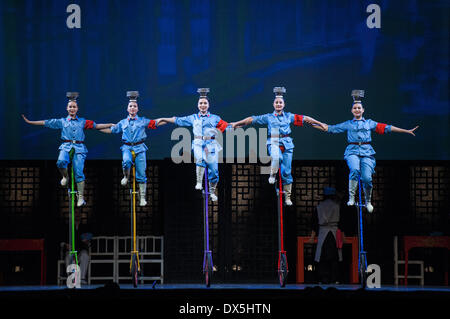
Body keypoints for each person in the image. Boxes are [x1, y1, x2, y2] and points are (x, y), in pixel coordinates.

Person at [314, 90, 419, 212]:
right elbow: (330, 128)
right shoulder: (348, 124)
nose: (357, 110)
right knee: (354, 169)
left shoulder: (370, 123)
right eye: (355, 108)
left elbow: (388, 128)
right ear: (352, 111)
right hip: (352, 151)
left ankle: (368, 201)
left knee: (367, 178)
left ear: (363, 110)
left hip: (367, 152)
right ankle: (352, 197)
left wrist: (406, 131)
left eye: (359, 108)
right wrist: (314, 124)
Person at [231, 87, 326, 205]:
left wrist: (320, 123)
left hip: (287, 143)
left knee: (286, 172)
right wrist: (236, 124)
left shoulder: (289, 116)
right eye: (276, 102)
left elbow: (305, 118)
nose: (278, 104)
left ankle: (288, 196)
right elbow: (251, 120)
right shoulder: (268, 117)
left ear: (284, 104)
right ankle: (272, 174)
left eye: (280, 102)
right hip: (273, 141)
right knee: (276, 158)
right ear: (273, 104)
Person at [22, 92, 114, 206]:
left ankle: (81, 197)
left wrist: (110, 124)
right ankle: (65, 176)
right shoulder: (62, 121)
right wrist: (30, 122)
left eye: (74, 107)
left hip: (79, 147)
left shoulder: (83, 121)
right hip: (66, 146)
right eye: (70, 106)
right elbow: (46, 122)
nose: (72, 108)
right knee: (61, 162)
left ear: (77, 108)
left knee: (79, 172)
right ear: (67, 108)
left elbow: (97, 126)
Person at [157, 88, 230, 202]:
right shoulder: (193, 118)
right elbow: (177, 120)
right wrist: (163, 119)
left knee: (214, 171)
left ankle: (212, 191)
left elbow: (226, 127)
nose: (203, 105)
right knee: (200, 158)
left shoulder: (215, 118)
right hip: (198, 144)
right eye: (201, 103)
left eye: (205, 103)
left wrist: (238, 125)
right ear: (197, 105)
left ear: (208, 105)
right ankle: (199, 182)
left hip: (211, 145)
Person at [99, 91, 166, 206]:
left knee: (141, 172)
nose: (132, 108)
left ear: (137, 108)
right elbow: (111, 130)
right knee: (126, 161)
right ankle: (126, 176)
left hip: (140, 147)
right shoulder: (123, 122)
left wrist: (166, 120)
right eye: (130, 106)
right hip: (127, 147)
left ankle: (142, 197)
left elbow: (155, 123)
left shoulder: (142, 121)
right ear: (127, 108)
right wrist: (97, 128)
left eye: (135, 106)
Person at [309, 187, 343, 284]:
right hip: (334, 233)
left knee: (322, 257)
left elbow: (314, 223)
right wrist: (343, 236)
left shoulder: (319, 207)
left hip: (323, 232)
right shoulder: (337, 206)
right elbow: (342, 223)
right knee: (335, 257)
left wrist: (312, 237)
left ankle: (323, 278)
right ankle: (335, 279)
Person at [62, 214, 92, 285]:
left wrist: (87, 242)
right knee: (69, 257)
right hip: (71, 250)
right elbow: (61, 241)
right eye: (76, 213)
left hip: (81, 250)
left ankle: (82, 278)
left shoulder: (85, 227)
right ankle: (72, 278)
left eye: (78, 214)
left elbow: (89, 240)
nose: (77, 215)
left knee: (85, 256)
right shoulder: (68, 227)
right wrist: (65, 245)